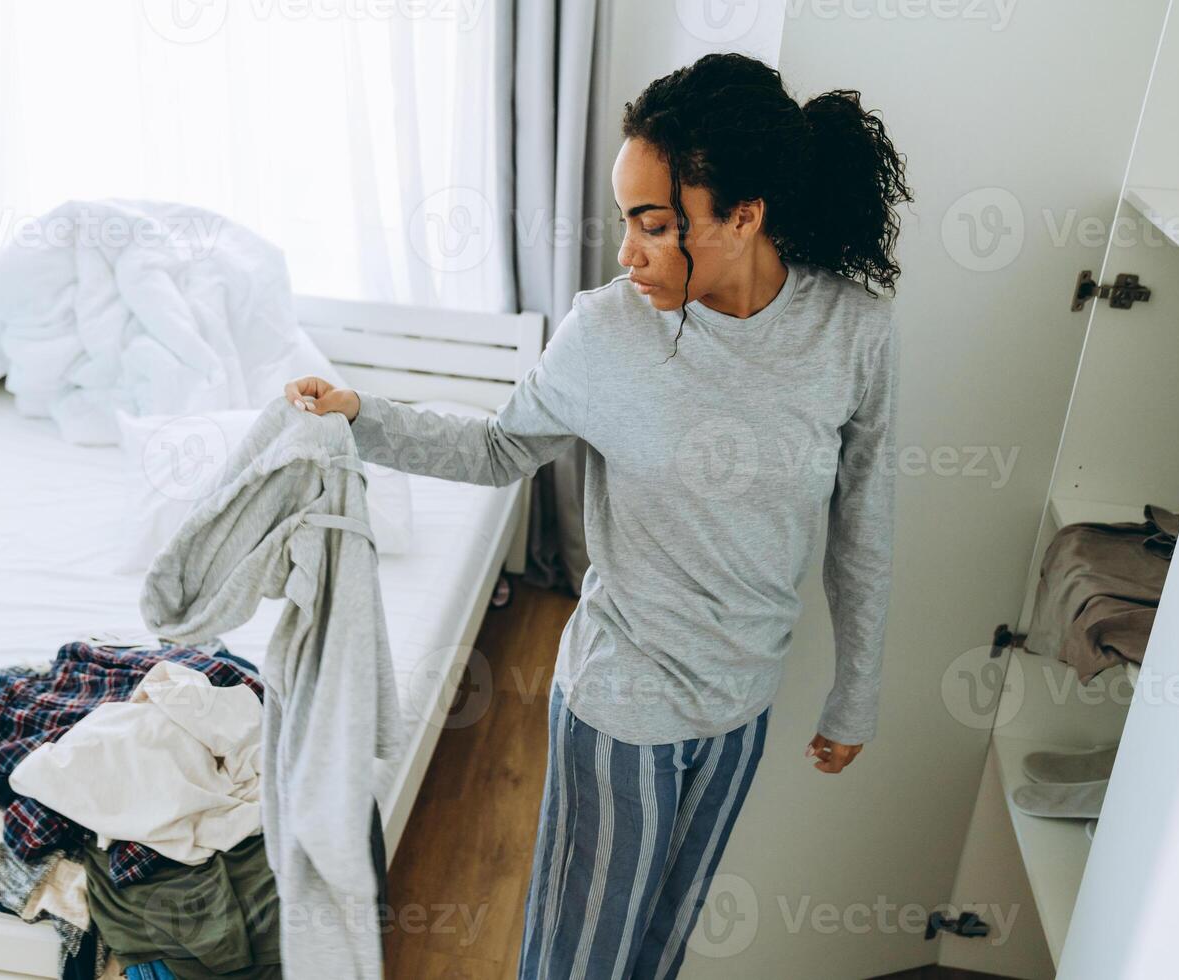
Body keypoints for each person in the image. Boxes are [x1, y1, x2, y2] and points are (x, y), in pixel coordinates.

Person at [286, 51, 909, 980]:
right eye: (627, 222)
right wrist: (361, 417)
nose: (628, 253)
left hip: (741, 705)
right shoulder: (608, 331)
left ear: (744, 216)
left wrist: (854, 691)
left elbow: (864, 521)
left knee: (659, 951)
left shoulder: (851, 332)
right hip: (623, 700)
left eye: (655, 227)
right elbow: (498, 451)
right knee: (579, 964)